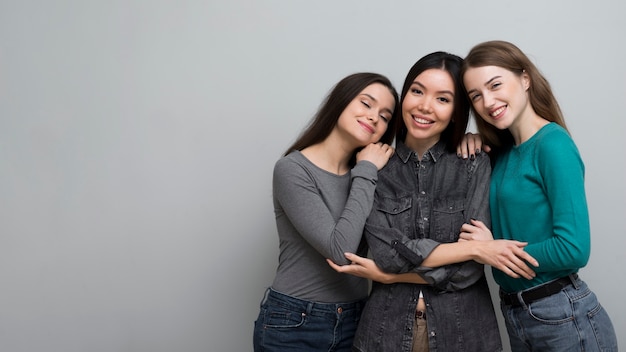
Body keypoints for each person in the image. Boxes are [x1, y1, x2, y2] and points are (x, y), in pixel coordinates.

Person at [330, 52, 538, 352]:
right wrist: (473, 248)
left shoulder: (474, 163)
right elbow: (385, 254)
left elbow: (469, 270)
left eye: (443, 99)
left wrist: (388, 276)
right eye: (417, 91)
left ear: (456, 111)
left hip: (465, 334)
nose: (425, 106)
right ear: (405, 97)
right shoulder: (373, 167)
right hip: (383, 334)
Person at [461, 40, 618, 351]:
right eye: (476, 95)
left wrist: (496, 251)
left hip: (563, 316)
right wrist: (472, 140)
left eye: (495, 85)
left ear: (524, 78)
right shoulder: (502, 153)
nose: (488, 101)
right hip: (518, 315)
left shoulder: (553, 144)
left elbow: (573, 249)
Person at [252, 72, 404, 352]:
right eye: (366, 104)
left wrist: (470, 141)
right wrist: (367, 170)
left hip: (357, 318)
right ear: (341, 102)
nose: (374, 118)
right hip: (295, 322)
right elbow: (340, 250)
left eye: (384, 116)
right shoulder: (293, 169)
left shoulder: (369, 173)